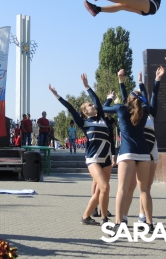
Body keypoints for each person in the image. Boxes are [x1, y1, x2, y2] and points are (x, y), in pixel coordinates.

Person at [49, 74, 112, 226]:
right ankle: (104, 219)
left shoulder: (102, 119)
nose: (93, 106)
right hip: (93, 159)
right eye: (90, 105)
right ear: (84, 112)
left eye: (93, 105)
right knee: (105, 187)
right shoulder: (84, 123)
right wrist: (57, 95)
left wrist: (87, 87)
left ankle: (86, 217)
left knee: (100, 191)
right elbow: (70, 108)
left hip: (107, 158)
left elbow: (97, 100)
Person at [102, 70, 154, 229]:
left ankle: (119, 223)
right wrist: (138, 84)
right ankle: (149, 223)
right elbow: (144, 101)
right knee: (144, 190)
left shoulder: (120, 109)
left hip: (127, 151)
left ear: (129, 99)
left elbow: (104, 108)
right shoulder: (145, 111)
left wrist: (110, 96)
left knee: (122, 189)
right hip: (144, 152)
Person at [125, 67, 164, 225]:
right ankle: (123, 217)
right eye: (137, 97)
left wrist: (157, 80)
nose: (140, 99)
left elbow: (153, 96)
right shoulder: (129, 114)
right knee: (130, 186)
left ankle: (142, 216)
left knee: (146, 187)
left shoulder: (149, 113)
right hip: (136, 151)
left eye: (141, 97)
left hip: (151, 150)